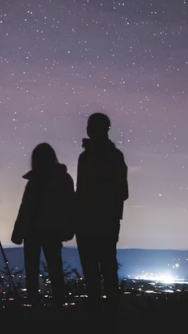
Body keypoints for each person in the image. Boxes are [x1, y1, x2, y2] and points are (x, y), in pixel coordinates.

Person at [11, 143, 76, 307]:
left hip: (39, 230)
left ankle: (38, 303)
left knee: (35, 270)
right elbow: (70, 205)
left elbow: (25, 207)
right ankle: (57, 303)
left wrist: (18, 231)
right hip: (48, 230)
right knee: (53, 268)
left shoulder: (37, 180)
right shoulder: (61, 178)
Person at [76, 112, 129, 312]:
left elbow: (119, 191)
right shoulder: (109, 156)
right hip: (103, 220)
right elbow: (122, 192)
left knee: (97, 269)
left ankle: (99, 315)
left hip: (95, 221)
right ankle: (106, 314)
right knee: (105, 267)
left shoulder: (97, 156)